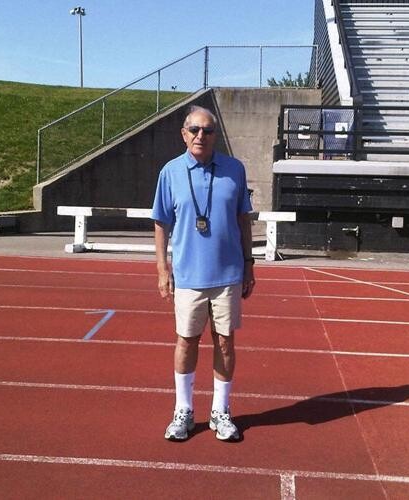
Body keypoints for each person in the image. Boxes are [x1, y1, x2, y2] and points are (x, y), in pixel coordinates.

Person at [151, 105, 255, 442]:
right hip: (188, 276)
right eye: (194, 129)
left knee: (225, 342)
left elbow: (243, 219)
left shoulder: (235, 170)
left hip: (228, 275)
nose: (201, 136)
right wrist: (162, 269)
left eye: (208, 130)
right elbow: (161, 223)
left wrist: (249, 263)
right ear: (184, 134)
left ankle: (220, 411)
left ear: (215, 135)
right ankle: (183, 410)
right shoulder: (170, 172)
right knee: (186, 341)